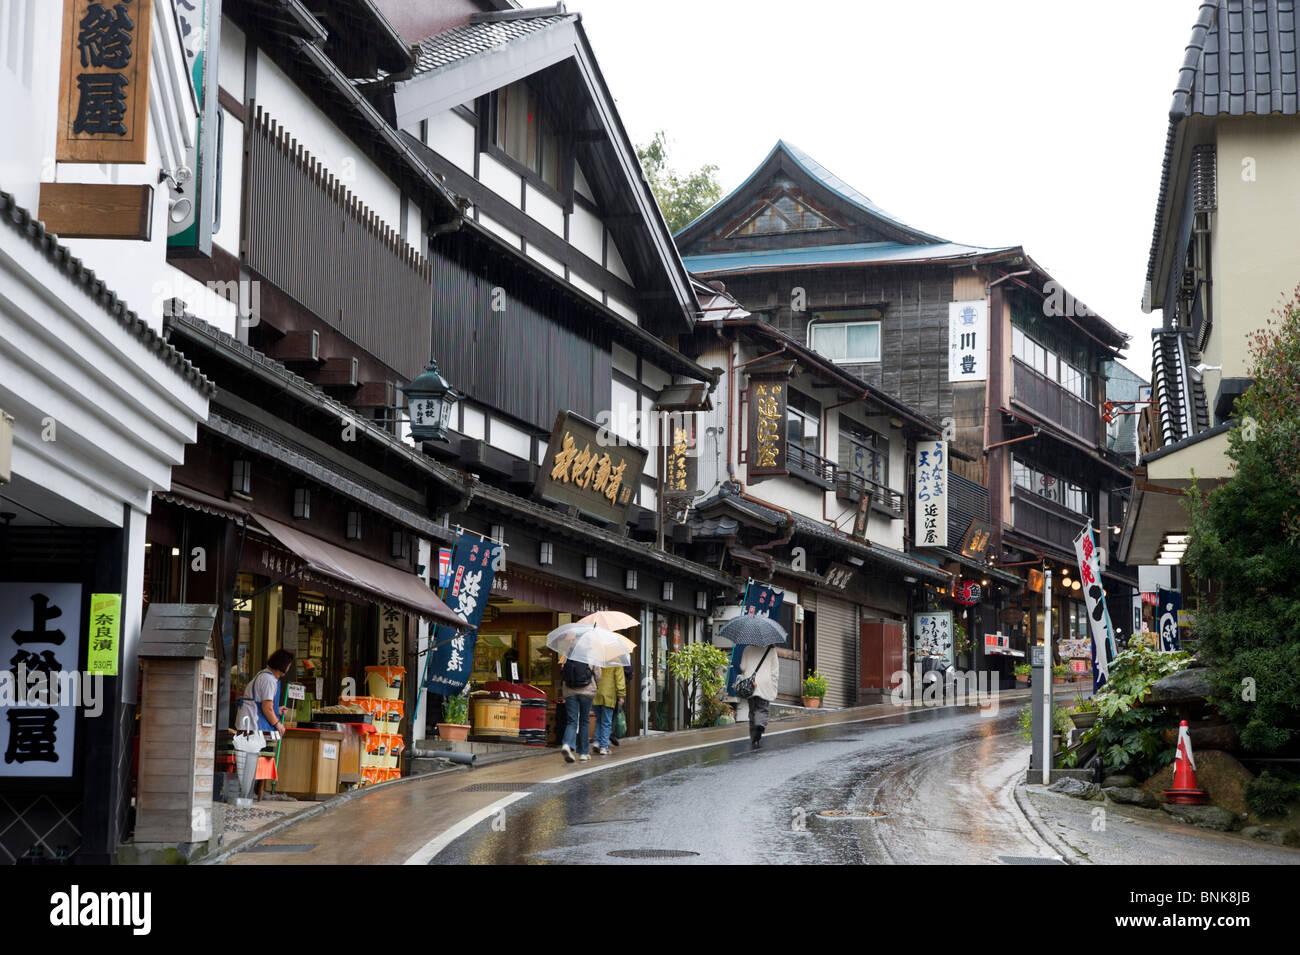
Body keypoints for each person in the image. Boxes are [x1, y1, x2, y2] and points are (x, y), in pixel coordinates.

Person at [236, 649, 295, 795]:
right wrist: (278, 724)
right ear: (284, 665)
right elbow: (267, 708)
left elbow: (267, 705)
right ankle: (246, 793)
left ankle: (248, 792)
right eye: (289, 665)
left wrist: (278, 710)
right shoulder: (269, 680)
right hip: (253, 723)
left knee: (252, 758)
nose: (289, 668)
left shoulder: (263, 675)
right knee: (251, 759)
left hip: (250, 720)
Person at [736, 644, 779, 750]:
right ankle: (760, 725)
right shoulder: (771, 650)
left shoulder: (747, 649)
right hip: (765, 684)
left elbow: (742, 667)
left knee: (752, 710)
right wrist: (774, 684)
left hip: (750, 683)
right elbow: (775, 671)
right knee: (762, 709)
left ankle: (754, 737)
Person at [560, 655, 600, 763]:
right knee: (584, 721)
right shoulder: (592, 655)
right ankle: (583, 753)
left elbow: (563, 672)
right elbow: (598, 675)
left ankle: (567, 744)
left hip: (570, 692)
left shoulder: (567, 654)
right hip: (586, 692)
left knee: (572, 721)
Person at [592, 660, 626, 755]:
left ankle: (596, 742)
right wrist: (621, 695)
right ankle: (604, 747)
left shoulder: (596, 659)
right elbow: (620, 681)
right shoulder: (616, 661)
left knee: (599, 719)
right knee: (606, 722)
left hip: (596, 693)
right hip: (609, 695)